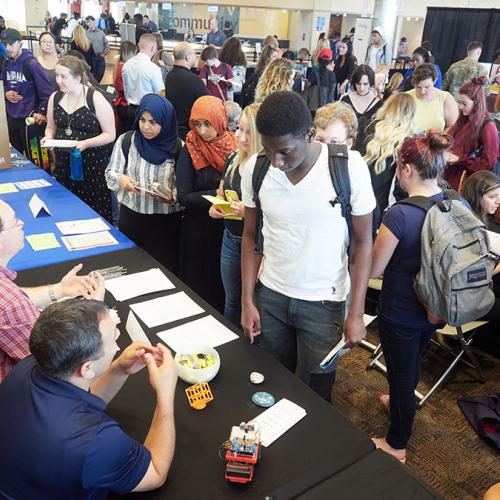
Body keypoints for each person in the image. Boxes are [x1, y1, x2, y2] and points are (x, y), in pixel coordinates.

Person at [240, 91, 375, 400]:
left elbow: (363, 241)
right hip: (271, 296)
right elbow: (250, 236)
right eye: (269, 150)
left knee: (314, 393)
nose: (276, 162)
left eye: (285, 151)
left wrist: (356, 312)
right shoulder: (257, 169)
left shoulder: (348, 167)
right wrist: (248, 300)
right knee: (271, 383)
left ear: (310, 134)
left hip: (324, 304)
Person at [0, 299, 178, 496]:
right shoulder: (97, 440)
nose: (119, 334)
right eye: (113, 337)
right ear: (87, 369)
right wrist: (165, 394)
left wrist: (119, 369)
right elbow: (155, 472)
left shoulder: (28, 366)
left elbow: (80, 400)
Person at [370, 130, 457, 463]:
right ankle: (398, 400)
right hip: (437, 308)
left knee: (401, 372)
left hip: (401, 310)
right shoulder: (454, 201)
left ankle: (397, 443)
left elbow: (376, 269)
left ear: (406, 168)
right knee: (410, 364)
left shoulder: (400, 215)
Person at [0, 199, 104, 382]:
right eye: (15, 221)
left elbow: (16, 298)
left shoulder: (8, 295)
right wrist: (95, 310)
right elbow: (57, 359)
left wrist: (59, 290)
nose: (21, 224)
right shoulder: (11, 304)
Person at [106, 94, 183, 272]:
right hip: (131, 219)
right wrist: (122, 179)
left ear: (166, 122)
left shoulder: (179, 148)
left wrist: (171, 198)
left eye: (153, 122)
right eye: (142, 120)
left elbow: (185, 190)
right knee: (130, 269)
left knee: (163, 273)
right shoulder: (127, 141)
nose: (146, 127)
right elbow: (110, 173)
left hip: (165, 225)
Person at [176, 95, 238, 312]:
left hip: (225, 230)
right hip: (197, 230)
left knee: (221, 288)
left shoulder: (234, 145)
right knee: (197, 289)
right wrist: (218, 193)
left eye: (208, 124)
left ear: (220, 121)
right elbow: (183, 196)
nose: (202, 131)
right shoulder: (191, 146)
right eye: (197, 124)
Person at [43, 55, 116, 221]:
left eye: (63, 77)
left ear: (77, 78)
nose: (58, 80)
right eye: (57, 75)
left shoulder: (95, 98)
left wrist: (85, 143)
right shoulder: (55, 98)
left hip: (92, 167)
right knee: (68, 211)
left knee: (94, 212)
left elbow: (110, 134)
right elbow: (50, 127)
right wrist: (48, 138)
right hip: (64, 165)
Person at [208, 103, 261, 324]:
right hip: (230, 237)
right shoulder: (233, 159)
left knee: (253, 302)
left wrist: (246, 213)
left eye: (249, 132)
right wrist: (216, 206)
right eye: (239, 129)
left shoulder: (266, 166)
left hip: (258, 244)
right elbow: (221, 192)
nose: (242, 137)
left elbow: (274, 215)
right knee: (231, 299)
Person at [364, 93, 417, 228]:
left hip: (355, 196)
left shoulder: (365, 125)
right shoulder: (407, 143)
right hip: (379, 208)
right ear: (411, 114)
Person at [0, 29, 52, 155]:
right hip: (12, 118)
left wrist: (40, 113)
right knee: (14, 158)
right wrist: (6, 94)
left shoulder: (31, 64)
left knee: (38, 160)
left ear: (21, 43)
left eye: (11, 44)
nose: (8, 48)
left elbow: (46, 92)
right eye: (4, 44)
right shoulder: (6, 62)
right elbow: (3, 84)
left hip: (31, 122)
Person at [445, 76, 499, 191]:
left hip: (468, 184)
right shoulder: (463, 120)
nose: (460, 106)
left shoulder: (488, 126)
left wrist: (460, 159)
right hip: (452, 178)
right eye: (459, 102)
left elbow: (488, 162)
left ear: (477, 102)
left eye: (464, 103)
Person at [164, 42, 210, 140]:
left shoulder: (169, 76)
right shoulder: (194, 80)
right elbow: (209, 102)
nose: (195, 57)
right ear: (188, 57)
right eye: (194, 54)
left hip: (172, 130)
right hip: (190, 133)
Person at [122, 34, 165, 133]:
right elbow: (161, 93)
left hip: (131, 109)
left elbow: (126, 89)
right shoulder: (153, 68)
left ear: (138, 45)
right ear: (153, 48)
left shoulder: (127, 65)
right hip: (148, 112)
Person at [340, 64, 382, 155]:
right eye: (358, 84)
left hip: (369, 151)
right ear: (354, 83)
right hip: (348, 149)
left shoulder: (379, 103)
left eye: (365, 84)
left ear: (371, 83)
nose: (362, 88)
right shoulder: (346, 100)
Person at [407, 63, 458, 132]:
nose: (422, 91)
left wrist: (440, 139)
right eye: (418, 87)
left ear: (435, 80)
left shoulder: (446, 99)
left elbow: (453, 126)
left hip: (436, 141)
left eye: (427, 87)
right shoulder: (406, 97)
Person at [113, 41, 136, 137]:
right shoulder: (123, 68)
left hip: (122, 103)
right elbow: (121, 87)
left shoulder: (118, 66)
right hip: (125, 104)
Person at [84, 15, 109, 82]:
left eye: (89, 21)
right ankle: (93, 89)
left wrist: (104, 53)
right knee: (92, 76)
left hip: (101, 57)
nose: (88, 23)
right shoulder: (85, 33)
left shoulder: (101, 32)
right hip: (91, 58)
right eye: (86, 22)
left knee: (100, 75)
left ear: (94, 21)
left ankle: (97, 88)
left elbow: (106, 44)